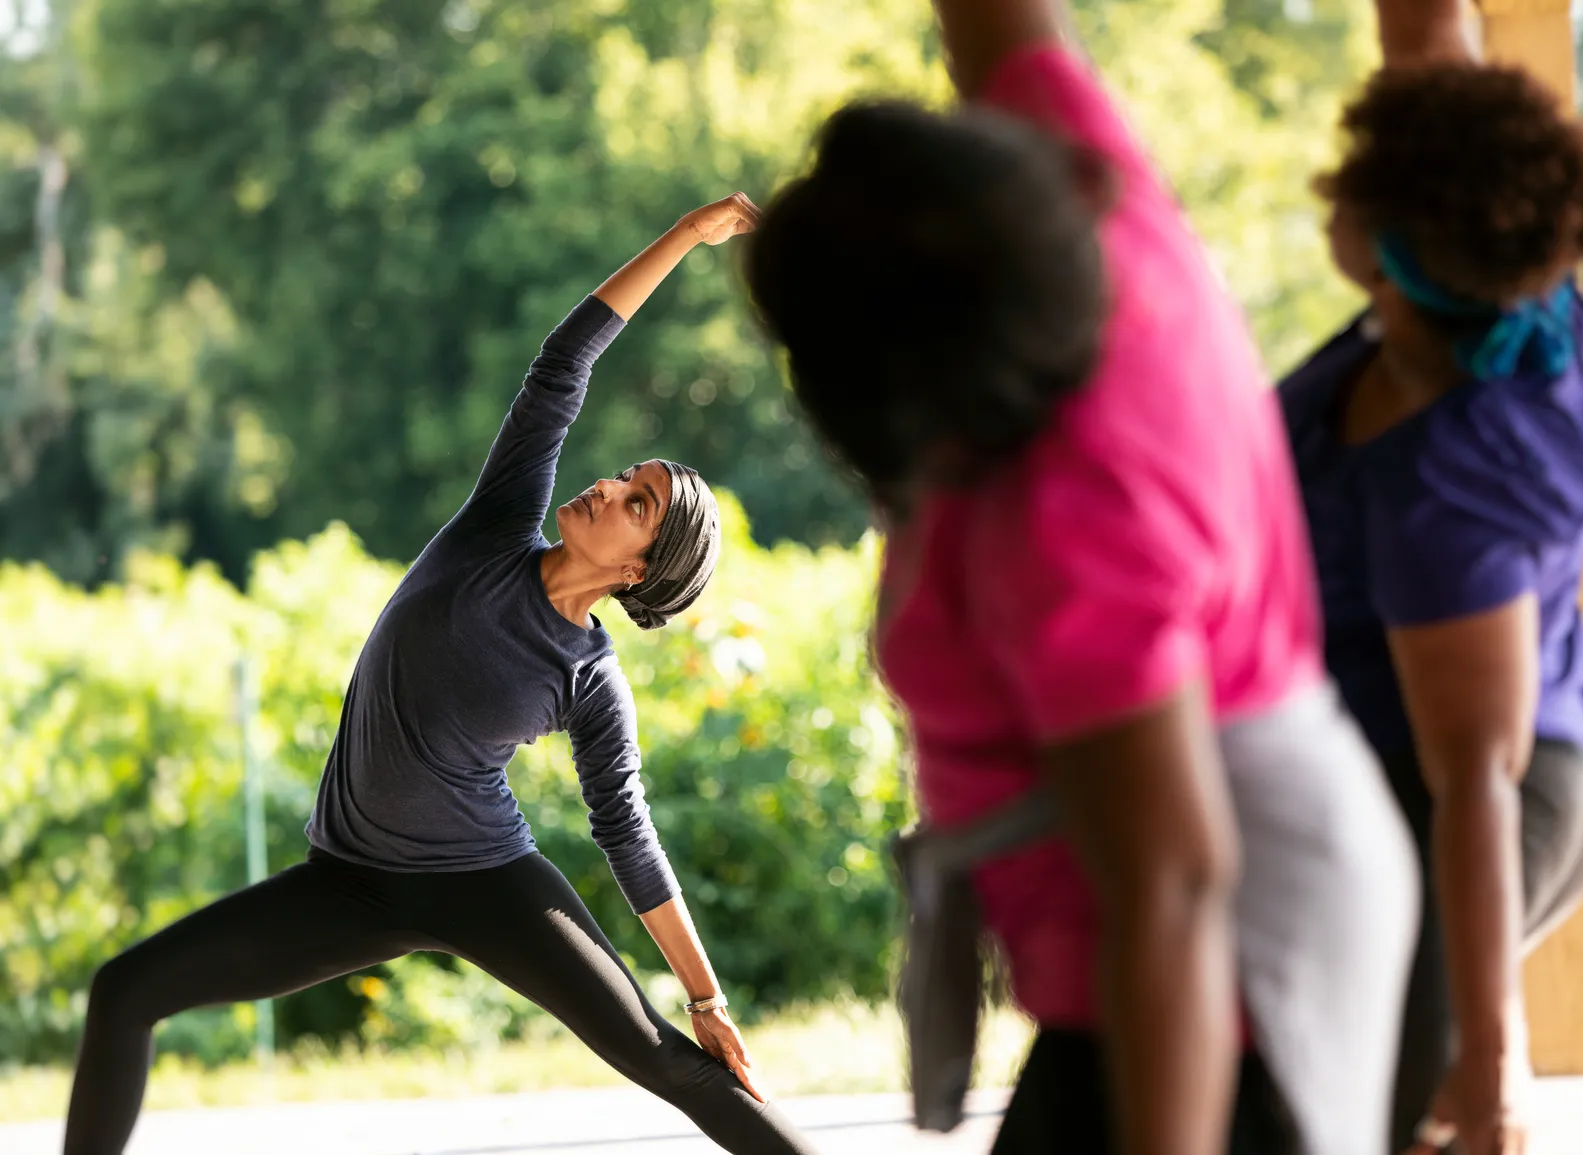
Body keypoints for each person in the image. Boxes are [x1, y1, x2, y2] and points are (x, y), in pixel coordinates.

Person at [746, 2, 1418, 1153]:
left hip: (1217, 970)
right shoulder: (1059, 201)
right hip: (1157, 921)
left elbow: (1175, 888)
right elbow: (1002, 26)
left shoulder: (1070, 524)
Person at [63, 194, 819, 1155]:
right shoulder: (496, 527)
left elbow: (627, 834)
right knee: (123, 993)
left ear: (638, 568)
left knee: (675, 1063)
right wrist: (682, 237)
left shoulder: (589, 677)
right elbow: (563, 365)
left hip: (485, 883)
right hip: (346, 884)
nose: (608, 484)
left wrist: (706, 995)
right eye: (628, 473)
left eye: (635, 503)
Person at [1276, 4, 1583, 1153]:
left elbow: (1475, 770)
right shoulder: (1510, 286)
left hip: (1474, 815)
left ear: (1381, 243)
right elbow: (1431, 34)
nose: (1329, 186)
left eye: (1349, 181)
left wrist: (1493, 1062)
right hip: (1444, 791)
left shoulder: (1441, 475)